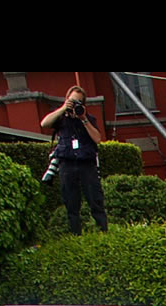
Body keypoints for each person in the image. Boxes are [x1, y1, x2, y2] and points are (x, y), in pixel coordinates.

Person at [41, 86, 109, 234]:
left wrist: (83, 118)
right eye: (72, 101)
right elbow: (44, 124)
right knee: (71, 203)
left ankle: (103, 233)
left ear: (83, 104)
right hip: (67, 164)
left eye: (78, 102)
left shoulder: (89, 119)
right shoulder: (61, 119)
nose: (75, 104)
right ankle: (76, 236)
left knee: (95, 200)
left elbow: (97, 139)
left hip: (86, 164)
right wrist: (63, 108)